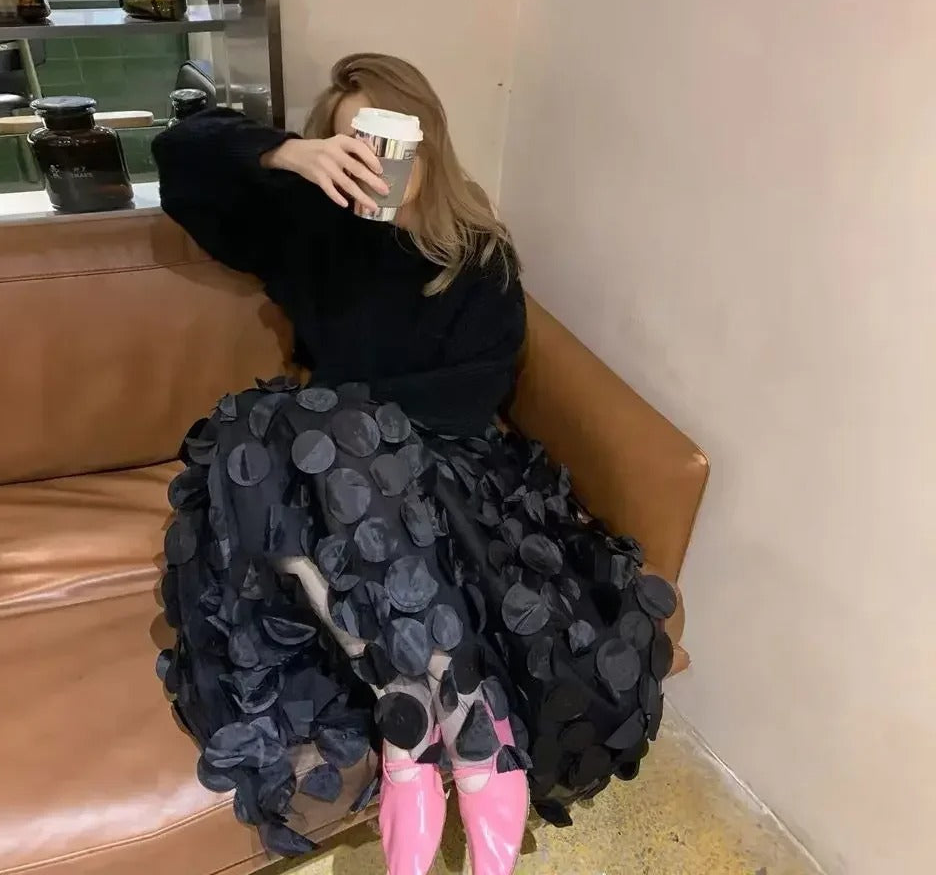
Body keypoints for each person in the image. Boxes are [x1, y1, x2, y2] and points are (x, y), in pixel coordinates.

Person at [152, 53, 677, 875]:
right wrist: (286, 154)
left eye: (391, 139)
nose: (377, 158)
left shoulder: (477, 254)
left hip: (443, 470)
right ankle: (449, 723)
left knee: (321, 429)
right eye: (353, 140)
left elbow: (471, 397)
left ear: (428, 140)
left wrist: (359, 424)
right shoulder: (307, 225)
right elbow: (180, 154)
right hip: (322, 465)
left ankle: (419, 739)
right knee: (266, 439)